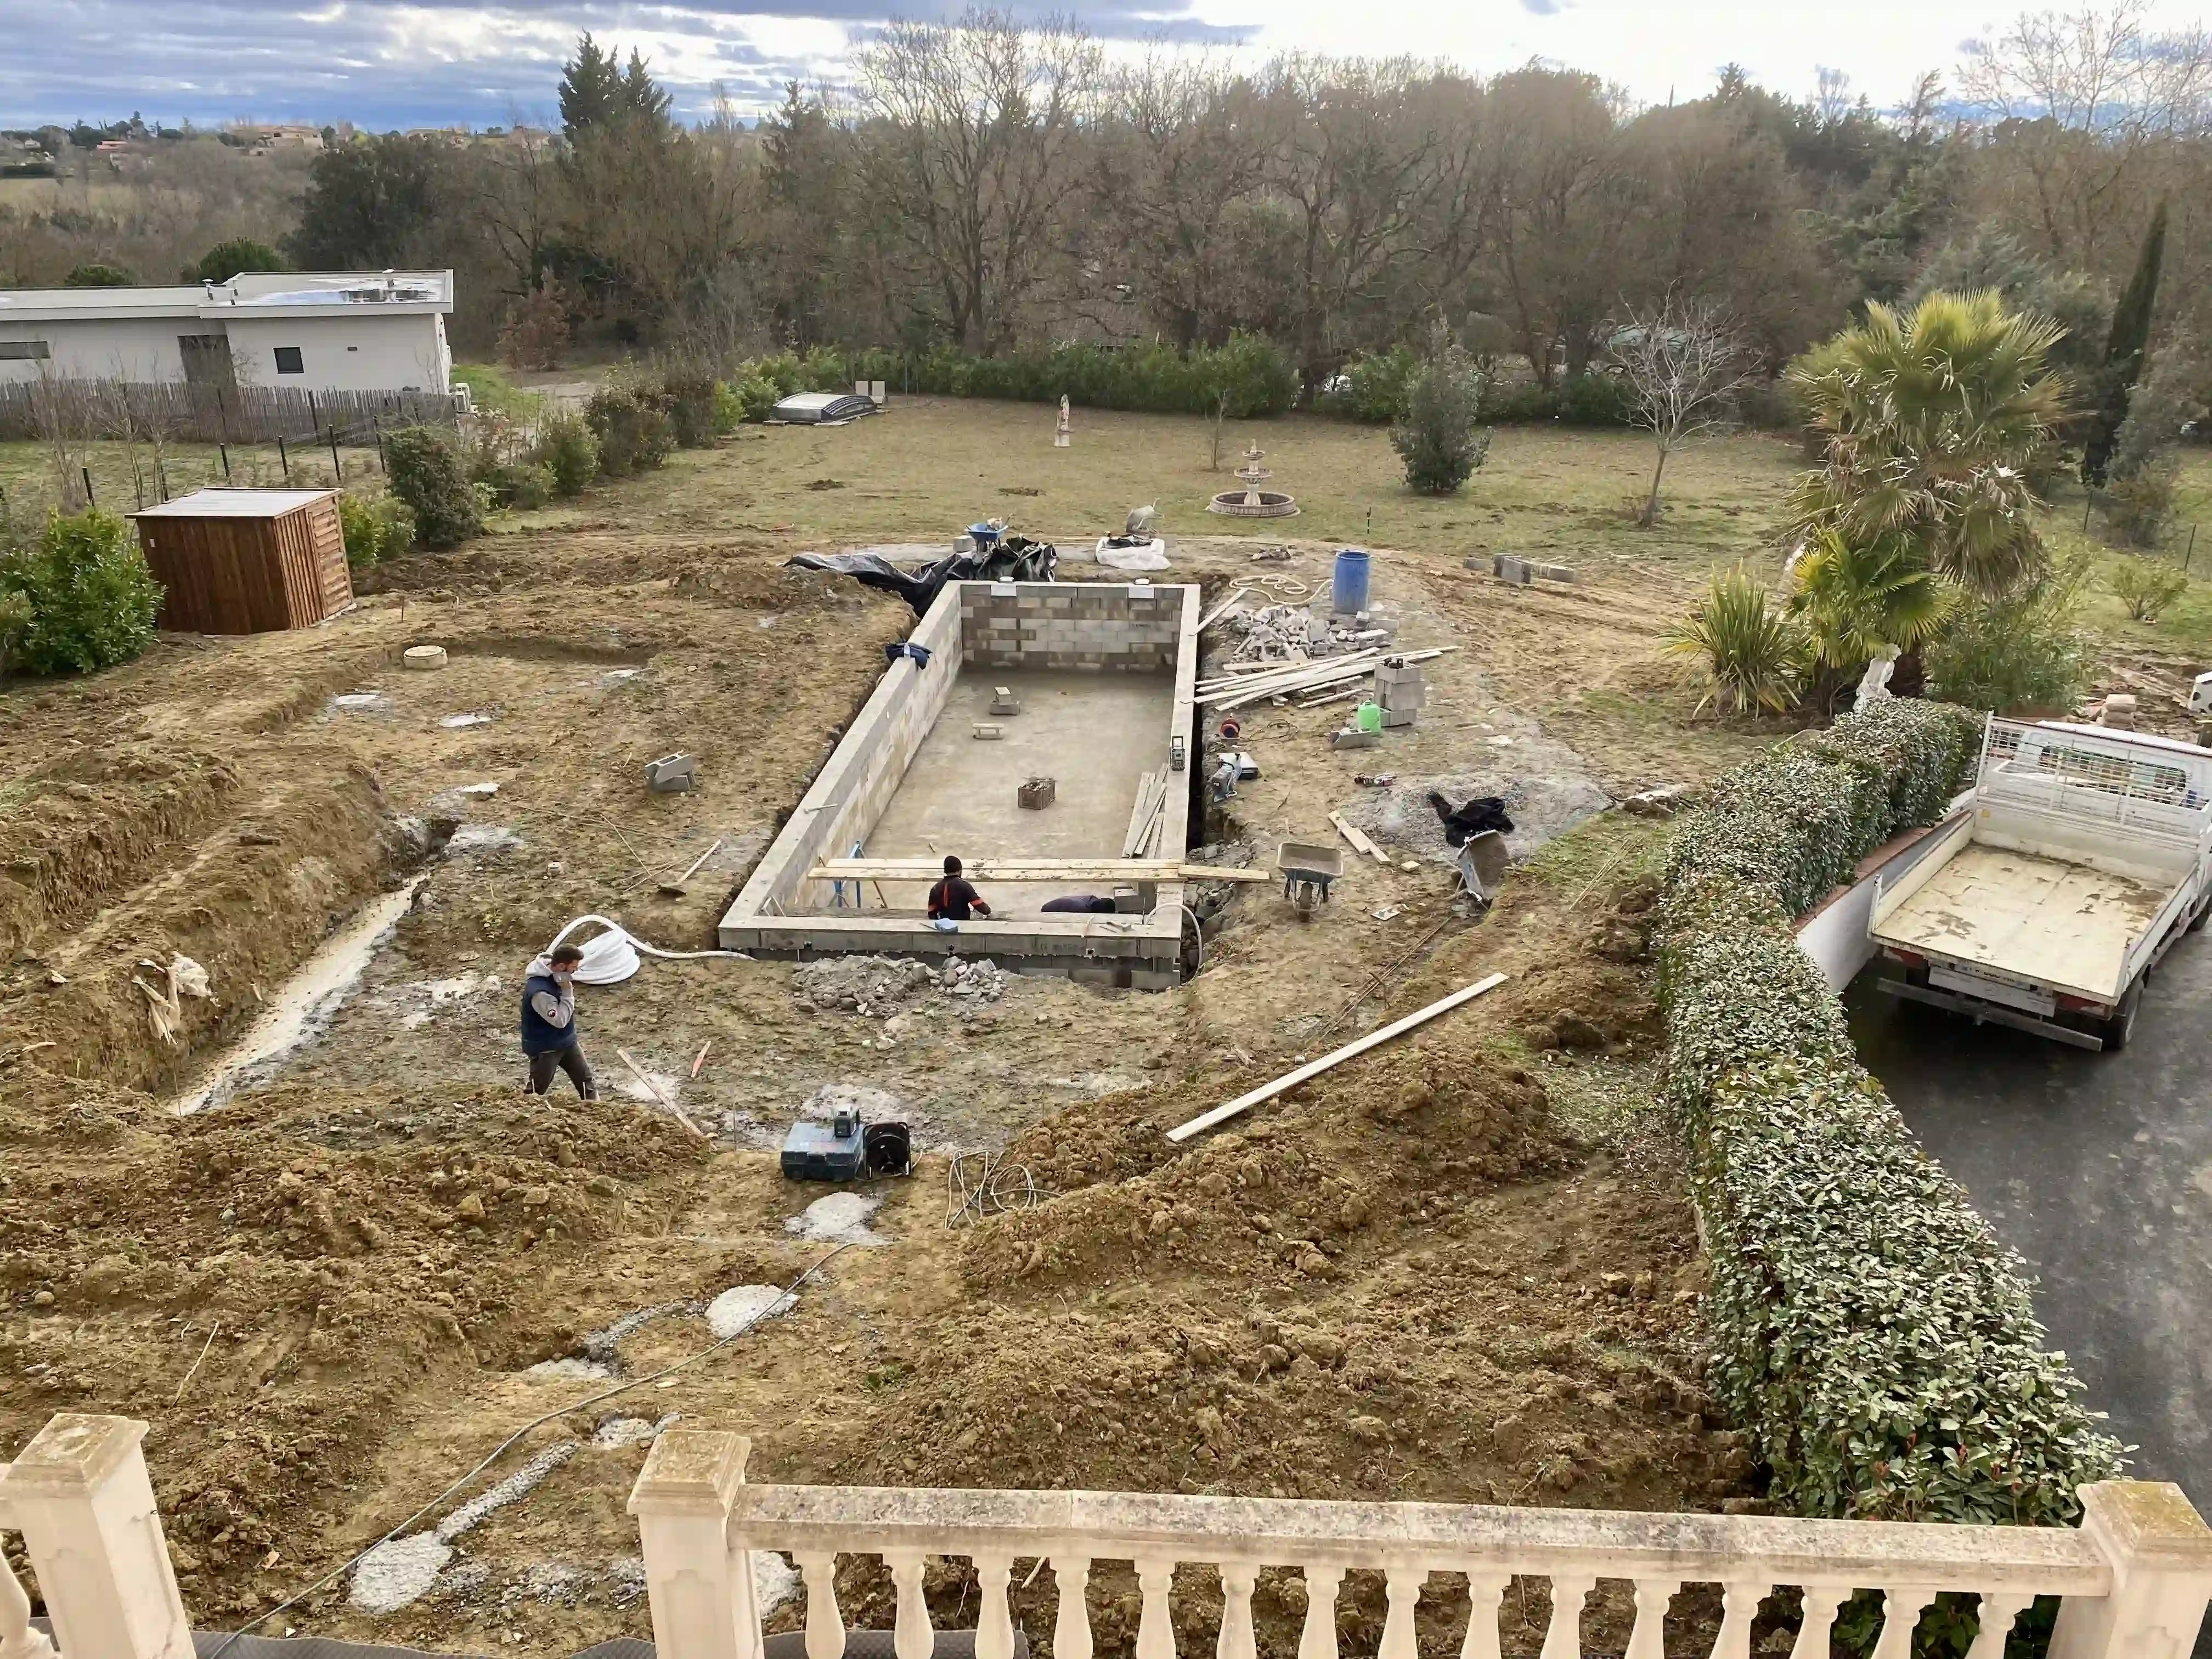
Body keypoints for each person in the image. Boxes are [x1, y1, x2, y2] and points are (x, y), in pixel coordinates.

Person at [521, 942, 597, 1098]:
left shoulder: (557, 976)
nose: (576, 971)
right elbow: (560, 1020)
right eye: (574, 968)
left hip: (567, 1042)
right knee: (536, 1091)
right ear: (562, 966)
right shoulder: (540, 993)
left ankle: (598, 1113)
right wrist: (568, 991)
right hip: (546, 1048)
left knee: (586, 1083)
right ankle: (523, 1114)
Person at [927, 855, 991, 929]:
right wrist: (988, 911)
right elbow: (980, 906)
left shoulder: (936, 888)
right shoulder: (964, 886)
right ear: (960, 870)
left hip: (945, 925)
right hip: (963, 923)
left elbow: (931, 913)